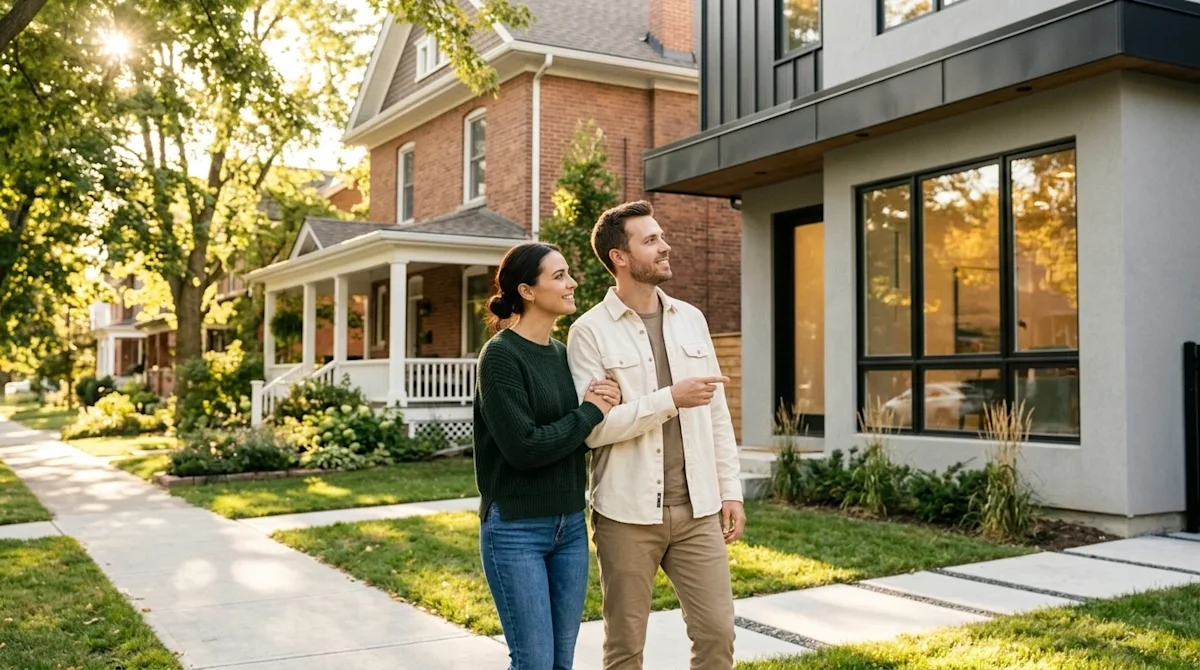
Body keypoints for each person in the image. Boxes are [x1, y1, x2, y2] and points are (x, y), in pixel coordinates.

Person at [566, 201, 745, 670]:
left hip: (699, 511)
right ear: (619, 257)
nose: (665, 246)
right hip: (627, 514)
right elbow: (595, 429)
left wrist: (732, 490)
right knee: (625, 647)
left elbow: (718, 415)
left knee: (718, 635)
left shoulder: (691, 318)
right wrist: (669, 399)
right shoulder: (589, 332)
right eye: (650, 240)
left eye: (660, 236)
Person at [473, 241, 623, 670]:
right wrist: (590, 412)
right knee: (534, 663)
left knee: (560, 662)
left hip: (570, 527)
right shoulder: (500, 356)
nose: (572, 281)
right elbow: (525, 447)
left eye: (568, 272)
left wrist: (601, 403)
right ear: (528, 291)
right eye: (559, 276)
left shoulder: (562, 354)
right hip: (515, 530)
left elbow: (573, 430)